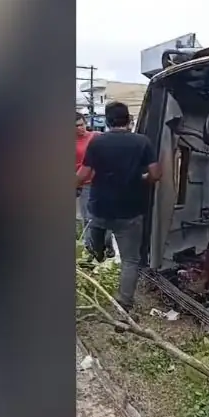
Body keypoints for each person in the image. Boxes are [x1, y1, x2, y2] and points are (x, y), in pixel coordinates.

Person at [75, 101, 161, 311]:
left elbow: (83, 175)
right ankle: (124, 304)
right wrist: (142, 179)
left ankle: (98, 252)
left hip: (100, 207)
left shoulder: (98, 142)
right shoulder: (143, 142)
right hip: (130, 210)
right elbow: (156, 174)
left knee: (94, 228)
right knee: (130, 260)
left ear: (107, 120)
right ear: (129, 120)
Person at [75, 112, 115, 260]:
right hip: (83, 184)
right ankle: (91, 249)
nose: (80, 128)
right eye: (76, 126)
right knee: (88, 219)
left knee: (105, 217)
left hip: (101, 182)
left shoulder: (96, 137)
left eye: (81, 124)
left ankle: (107, 246)